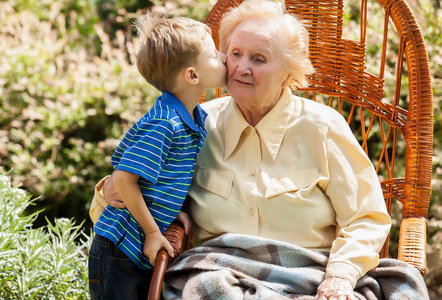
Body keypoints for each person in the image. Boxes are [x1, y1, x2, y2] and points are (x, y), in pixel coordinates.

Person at [92, 0, 430, 299]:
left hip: (311, 277)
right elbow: (130, 196)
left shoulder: (323, 127)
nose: (241, 67)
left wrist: (340, 277)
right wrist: (109, 192)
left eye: (259, 58)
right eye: (235, 54)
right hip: (215, 273)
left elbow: (365, 218)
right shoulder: (193, 127)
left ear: (289, 71)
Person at [88, 12, 226, 300]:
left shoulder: (191, 115)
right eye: (214, 55)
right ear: (193, 76)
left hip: (136, 244)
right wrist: (152, 232)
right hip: (120, 249)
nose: (224, 58)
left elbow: (159, 176)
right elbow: (125, 181)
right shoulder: (165, 124)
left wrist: (168, 207)